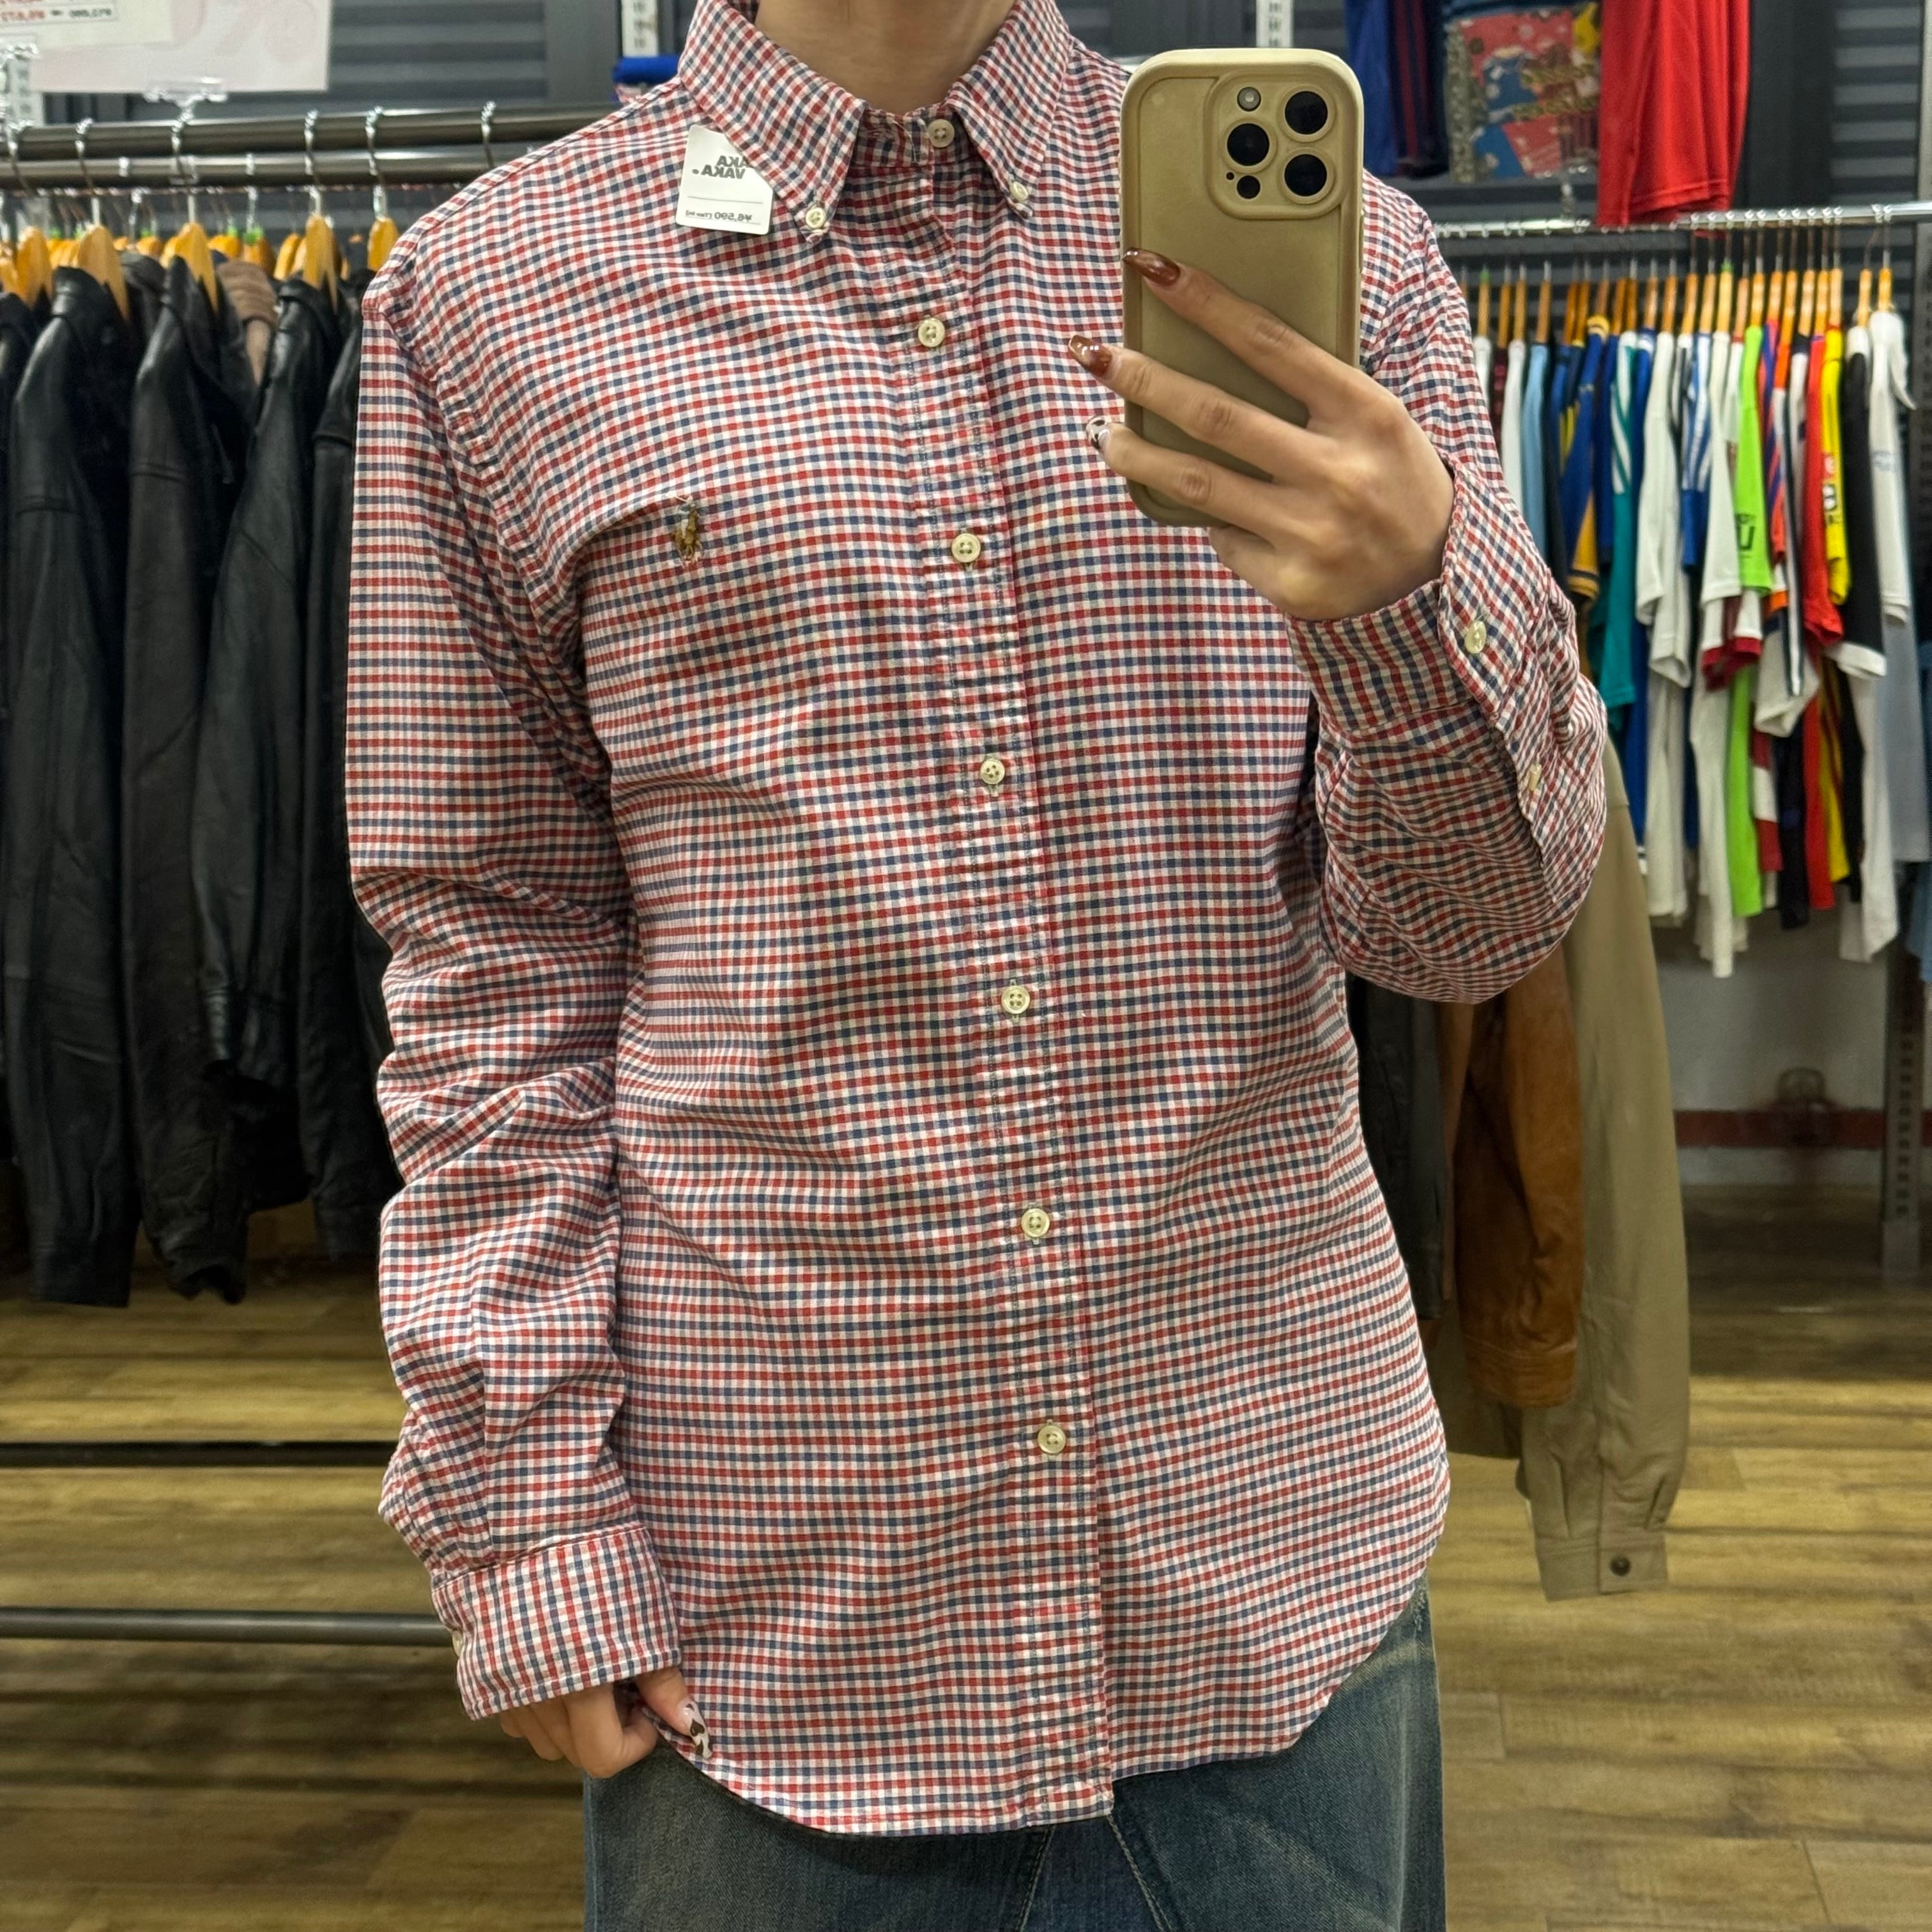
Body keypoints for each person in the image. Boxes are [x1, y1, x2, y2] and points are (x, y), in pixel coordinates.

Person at [344, 0, 1607, 1925]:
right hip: (777, 1614)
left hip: (1264, 1560)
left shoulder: (1357, 265)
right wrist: (519, 1513)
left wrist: (1408, 604)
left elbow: (1473, 937)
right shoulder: (485, 299)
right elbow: (492, 960)